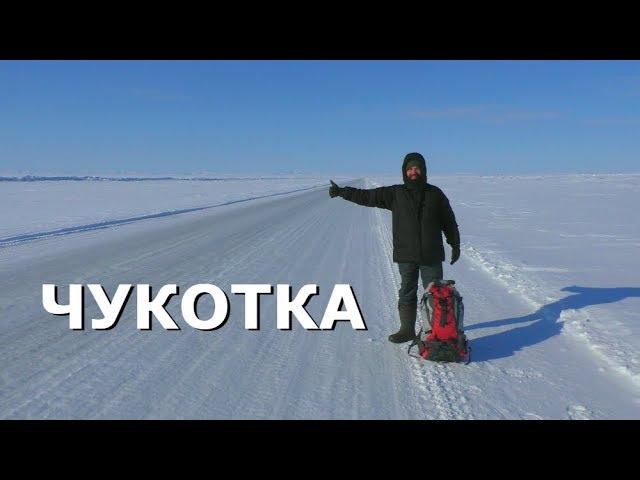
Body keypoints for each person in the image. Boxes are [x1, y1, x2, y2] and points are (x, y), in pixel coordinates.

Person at [329, 152, 460, 343]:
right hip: (406, 254)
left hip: (431, 254)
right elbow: (367, 196)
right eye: (409, 169)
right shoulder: (395, 193)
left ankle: (435, 331)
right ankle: (406, 330)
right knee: (407, 290)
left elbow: (449, 221)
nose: (413, 172)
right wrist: (343, 192)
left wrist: (454, 243)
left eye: (417, 168)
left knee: (434, 293)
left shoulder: (435, 194)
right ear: (404, 172)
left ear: (423, 170)